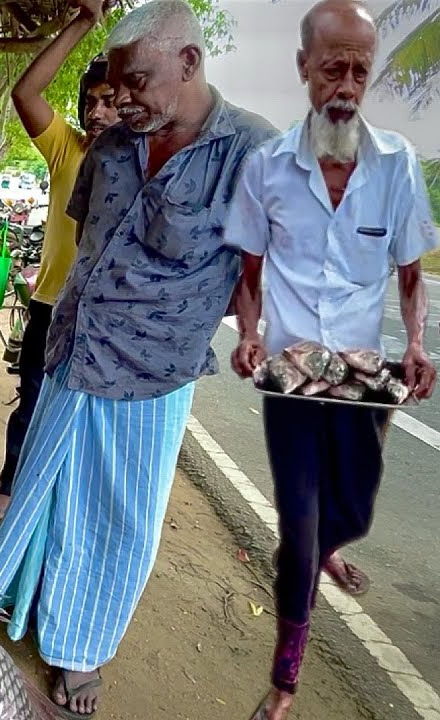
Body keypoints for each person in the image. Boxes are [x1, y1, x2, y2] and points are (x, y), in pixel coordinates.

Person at [0, 2, 278, 716]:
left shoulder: (252, 153)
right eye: (116, 85)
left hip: (151, 375)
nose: (124, 99)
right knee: (45, 490)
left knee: (119, 519)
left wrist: (259, 328)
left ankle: (79, 653)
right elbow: (87, 240)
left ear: (189, 64)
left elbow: (260, 265)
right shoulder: (113, 144)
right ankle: (12, 600)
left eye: (138, 81)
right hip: (73, 353)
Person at [225, 2, 438, 717]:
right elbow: (248, 271)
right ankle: (285, 680)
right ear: (304, 70)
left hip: (365, 377)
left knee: (352, 509)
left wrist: (414, 342)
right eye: (332, 69)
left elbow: (410, 275)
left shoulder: (398, 165)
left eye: (359, 70)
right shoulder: (267, 167)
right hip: (290, 371)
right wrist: (249, 331)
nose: (346, 86)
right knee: (300, 520)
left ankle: (327, 546)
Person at [0, 0, 121, 528]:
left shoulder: (147, 161)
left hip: (105, 318)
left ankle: (63, 510)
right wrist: (81, 23)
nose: (97, 112)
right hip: (50, 305)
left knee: (87, 420)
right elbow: (25, 93)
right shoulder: (68, 150)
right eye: (90, 101)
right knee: (32, 402)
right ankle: (12, 489)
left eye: (110, 102)